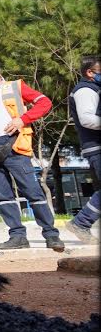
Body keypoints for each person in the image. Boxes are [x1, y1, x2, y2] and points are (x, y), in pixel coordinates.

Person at [0, 58, 64, 251]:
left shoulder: (15, 86)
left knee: (32, 192)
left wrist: (23, 119)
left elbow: (44, 103)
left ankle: (51, 235)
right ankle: (17, 236)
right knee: (3, 196)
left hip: (15, 147)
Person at [66, 55, 100, 243]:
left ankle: (82, 223)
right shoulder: (85, 90)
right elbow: (87, 119)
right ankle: (81, 223)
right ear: (90, 72)